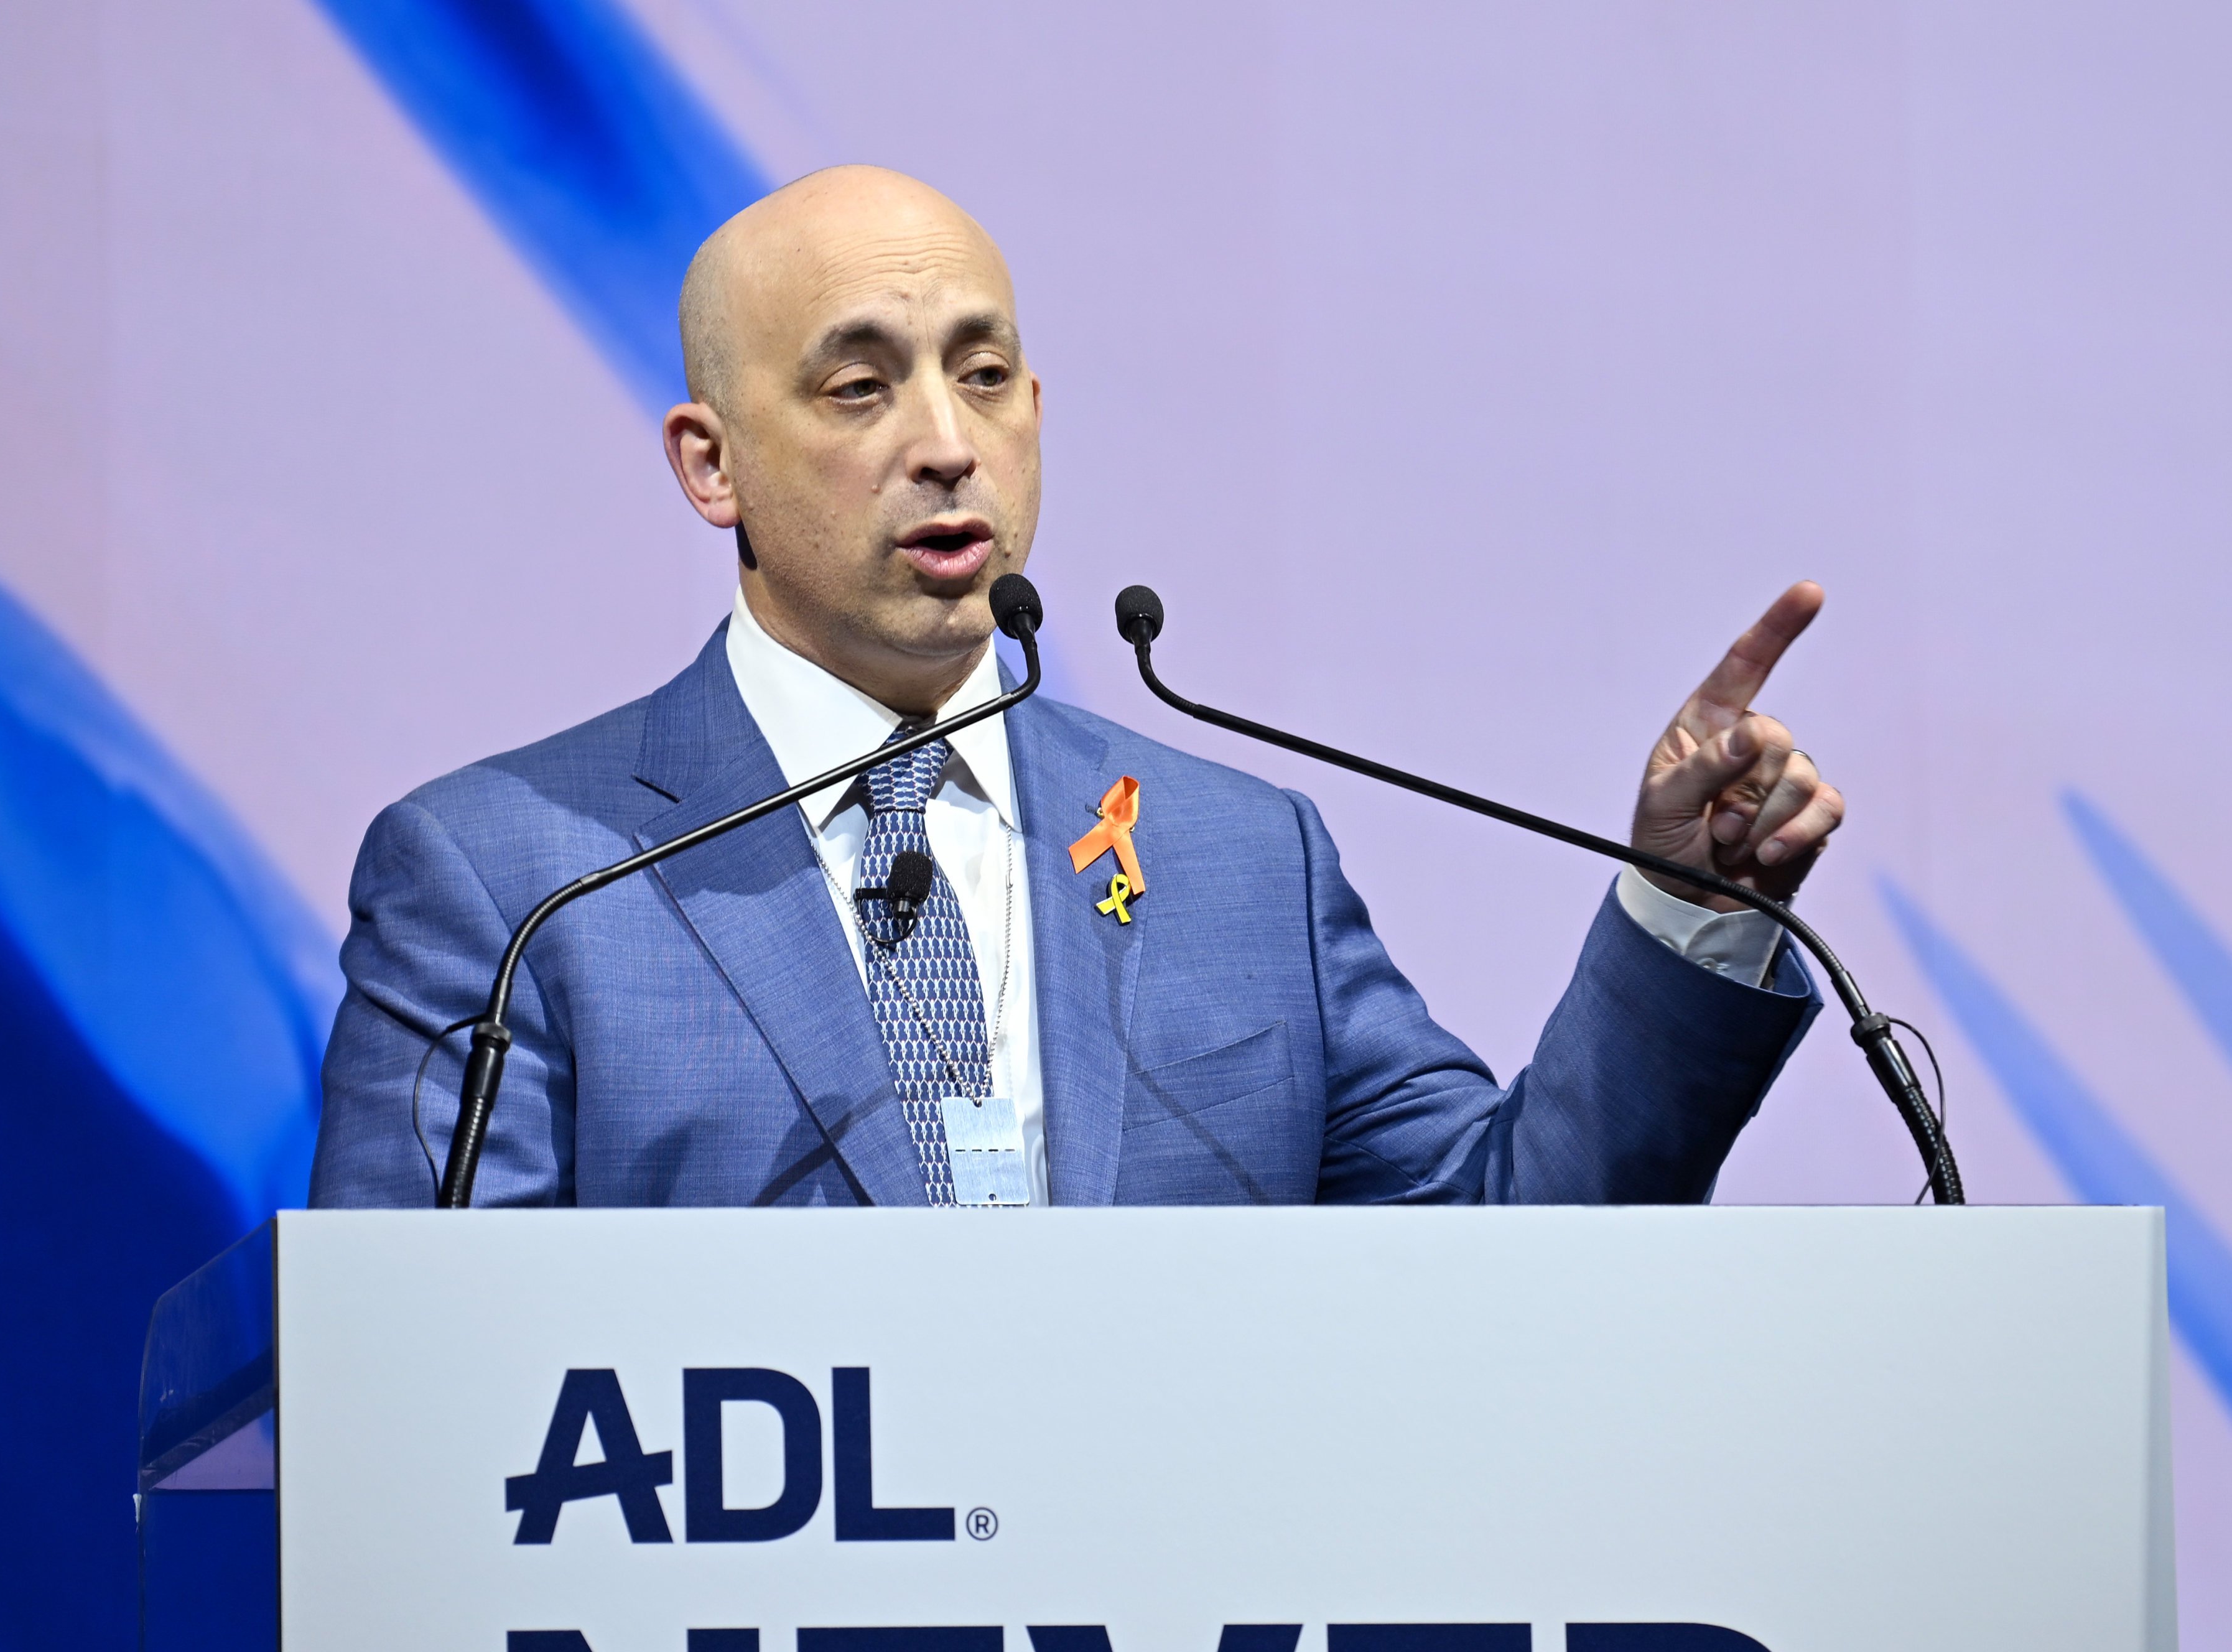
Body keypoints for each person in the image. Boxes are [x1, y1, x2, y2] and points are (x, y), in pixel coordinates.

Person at [309, 167, 1845, 1209]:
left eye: (982, 377)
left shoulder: (1241, 860)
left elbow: (1505, 1244)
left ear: (1034, 411)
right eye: (860, 386)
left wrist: (1681, 907)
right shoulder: (515, 884)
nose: (944, 441)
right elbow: (415, 1414)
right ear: (712, 463)